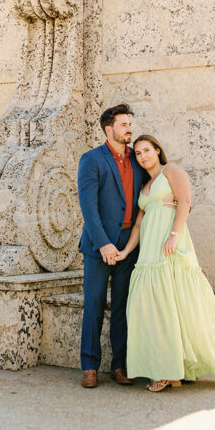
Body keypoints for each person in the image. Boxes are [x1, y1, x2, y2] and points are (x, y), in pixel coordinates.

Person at [117, 134, 215, 392]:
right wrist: (126, 252)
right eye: (138, 153)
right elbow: (138, 223)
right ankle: (172, 368)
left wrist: (173, 236)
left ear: (157, 150)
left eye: (146, 150)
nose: (143, 156)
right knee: (156, 309)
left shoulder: (172, 171)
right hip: (149, 252)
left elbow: (185, 202)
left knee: (175, 305)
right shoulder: (146, 186)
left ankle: (168, 372)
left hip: (171, 246)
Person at [77, 103, 143, 388]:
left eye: (130, 124)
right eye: (124, 124)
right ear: (109, 129)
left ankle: (120, 365)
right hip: (98, 246)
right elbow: (88, 206)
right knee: (93, 304)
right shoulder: (92, 159)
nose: (129, 128)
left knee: (122, 306)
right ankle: (89, 365)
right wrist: (103, 243)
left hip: (129, 245)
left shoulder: (138, 159)